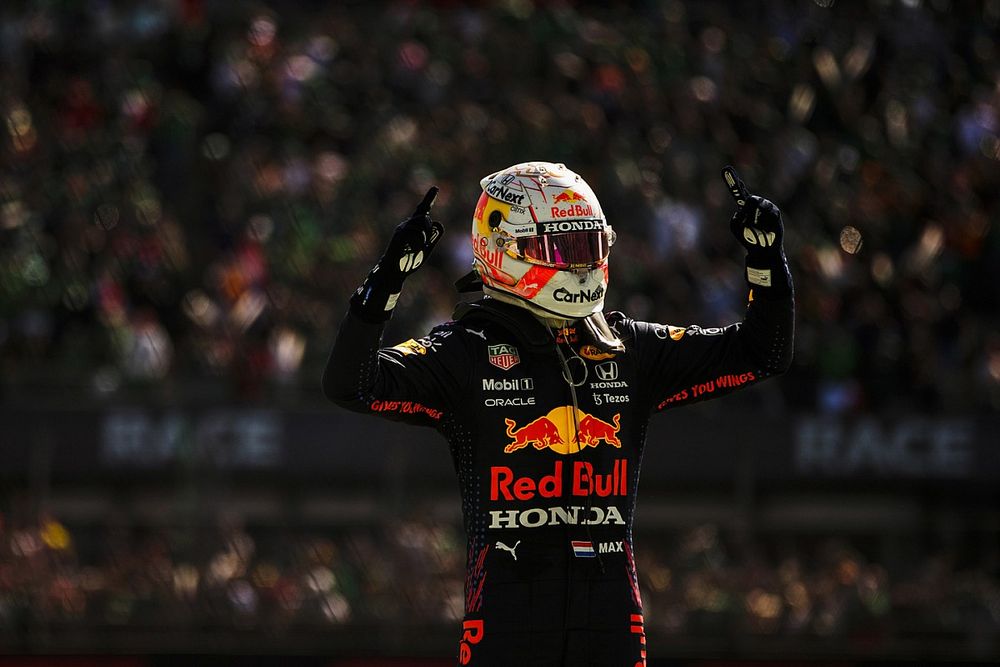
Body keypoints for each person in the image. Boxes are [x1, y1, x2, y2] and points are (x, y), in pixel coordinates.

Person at [322, 161, 794, 666]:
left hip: (611, 619)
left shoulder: (628, 347)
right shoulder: (465, 353)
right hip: (507, 618)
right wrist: (385, 282)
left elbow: (761, 353)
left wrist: (767, 262)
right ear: (503, 250)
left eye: (591, 247)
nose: (581, 264)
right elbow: (351, 384)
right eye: (562, 249)